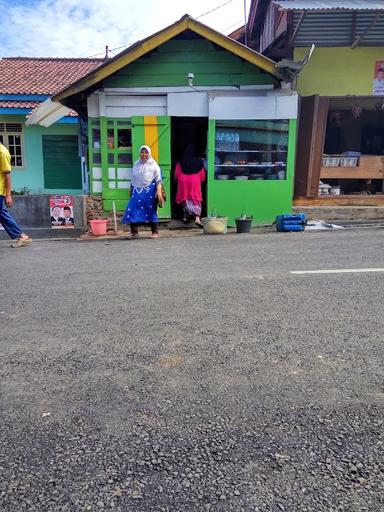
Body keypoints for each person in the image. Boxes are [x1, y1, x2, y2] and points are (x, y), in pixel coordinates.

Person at [121, 145, 164, 239]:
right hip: (137, 190)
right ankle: (134, 232)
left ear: (149, 154)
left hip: (150, 191)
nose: (144, 154)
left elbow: (158, 180)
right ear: (139, 153)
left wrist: (159, 191)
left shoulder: (154, 165)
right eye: (142, 152)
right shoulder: (136, 164)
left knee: (151, 210)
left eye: (146, 152)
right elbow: (134, 178)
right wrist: (131, 189)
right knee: (131, 208)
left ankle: (155, 232)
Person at [0, 142, 32, 248]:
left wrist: (8, 195)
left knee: (3, 215)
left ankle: (22, 236)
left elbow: (7, 174)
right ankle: (22, 236)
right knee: (2, 215)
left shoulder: (2, 152)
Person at [174, 144, 206, 228]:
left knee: (185, 199)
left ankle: (185, 216)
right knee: (195, 199)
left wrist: (176, 181)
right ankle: (197, 218)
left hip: (183, 182)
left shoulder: (180, 163)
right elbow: (203, 178)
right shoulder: (199, 163)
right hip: (194, 182)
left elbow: (176, 176)